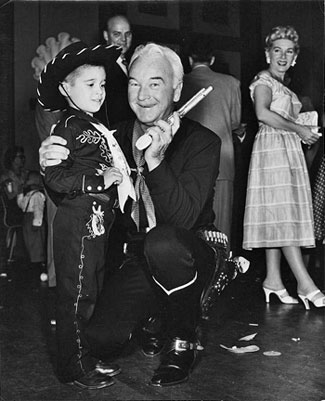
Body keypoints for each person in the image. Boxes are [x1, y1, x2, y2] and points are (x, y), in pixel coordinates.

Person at [39, 43, 249, 387]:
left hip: (189, 251)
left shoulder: (203, 142)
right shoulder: (110, 137)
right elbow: (74, 194)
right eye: (134, 83)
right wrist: (51, 164)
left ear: (177, 89)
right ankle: (154, 315)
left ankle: (183, 339)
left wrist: (154, 161)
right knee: (98, 340)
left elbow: (180, 220)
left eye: (156, 83)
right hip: (139, 258)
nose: (143, 94)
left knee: (163, 242)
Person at [37, 40, 138, 389]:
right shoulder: (67, 127)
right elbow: (54, 176)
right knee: (76, 296)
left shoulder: (92, 126)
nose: (99, 92)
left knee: (91, 291)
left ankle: (87, 357)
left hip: (95, 225)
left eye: (103, 84)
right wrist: (99, 180)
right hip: (77, 223)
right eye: (90, 85)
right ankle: (74, 368)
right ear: (66, 89)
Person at [242, 26, 325, 309]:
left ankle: (274, 280)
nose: (282, 56)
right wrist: (298, 130)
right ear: (267, 53)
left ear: (295, 57)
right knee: (283, 214)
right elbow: (262, 113)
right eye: (277, 50)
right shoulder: (263, 80)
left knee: (278, 214)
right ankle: (305, 284)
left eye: (289, 51)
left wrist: (305, 128)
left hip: (286, 149)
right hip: (272, 150)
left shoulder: (285, 86)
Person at [179, 37, 241, 245]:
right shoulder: (232, 83)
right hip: (223, 160)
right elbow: (235, 122)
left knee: (188, 219)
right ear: (212, 59)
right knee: (221, 225)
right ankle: (221, 270)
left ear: (189, 59)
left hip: (188, 162)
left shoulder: (181, 82)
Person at [97, 14, 135, 126]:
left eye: (127, 34)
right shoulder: (102, 67)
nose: (123, 40)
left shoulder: (132, 64)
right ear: (106, 35)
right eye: (117, 34)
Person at [17, 170, 46, 268]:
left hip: (34, 220)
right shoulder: (29, 194)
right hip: (27, 219)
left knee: (36, 242)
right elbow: (22, 205)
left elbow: (38, 210)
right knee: (29, 241)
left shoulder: (37, 195)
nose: (25, 181)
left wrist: (37, 223)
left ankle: (38, 262)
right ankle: (32, 259)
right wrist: (20, 193)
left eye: (28, 179)